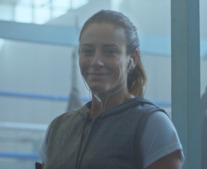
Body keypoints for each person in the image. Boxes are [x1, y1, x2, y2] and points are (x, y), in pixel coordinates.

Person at [39, 9, 183, 169]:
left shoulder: (152, 124)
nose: (96, 61)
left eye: (110, 52)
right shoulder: (58, 128)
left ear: (132, 59)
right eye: (88, 51)